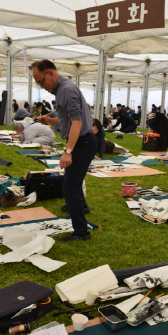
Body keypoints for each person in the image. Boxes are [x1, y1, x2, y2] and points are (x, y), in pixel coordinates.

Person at [32, 59, 96, 242]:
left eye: (41, 81)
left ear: (50, 73)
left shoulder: (66, 90)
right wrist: (51, 121)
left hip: (82, 142)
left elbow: (77, 123)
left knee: (70, 187)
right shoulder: (63, 89)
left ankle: (81, 233)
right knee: (72, 183)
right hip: (82, 141)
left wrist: (68, 151)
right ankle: (81, 208)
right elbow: (69, 118)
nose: (41, 86)